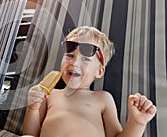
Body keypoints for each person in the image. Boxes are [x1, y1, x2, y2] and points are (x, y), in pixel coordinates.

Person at [22, 26, 156, 137]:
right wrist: (32, 108)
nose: (74, 63)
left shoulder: (102, 99)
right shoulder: (50, 95)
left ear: (99, 72)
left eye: (86, 59)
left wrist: (137, 123)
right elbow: (30, 133)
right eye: (70, 56)